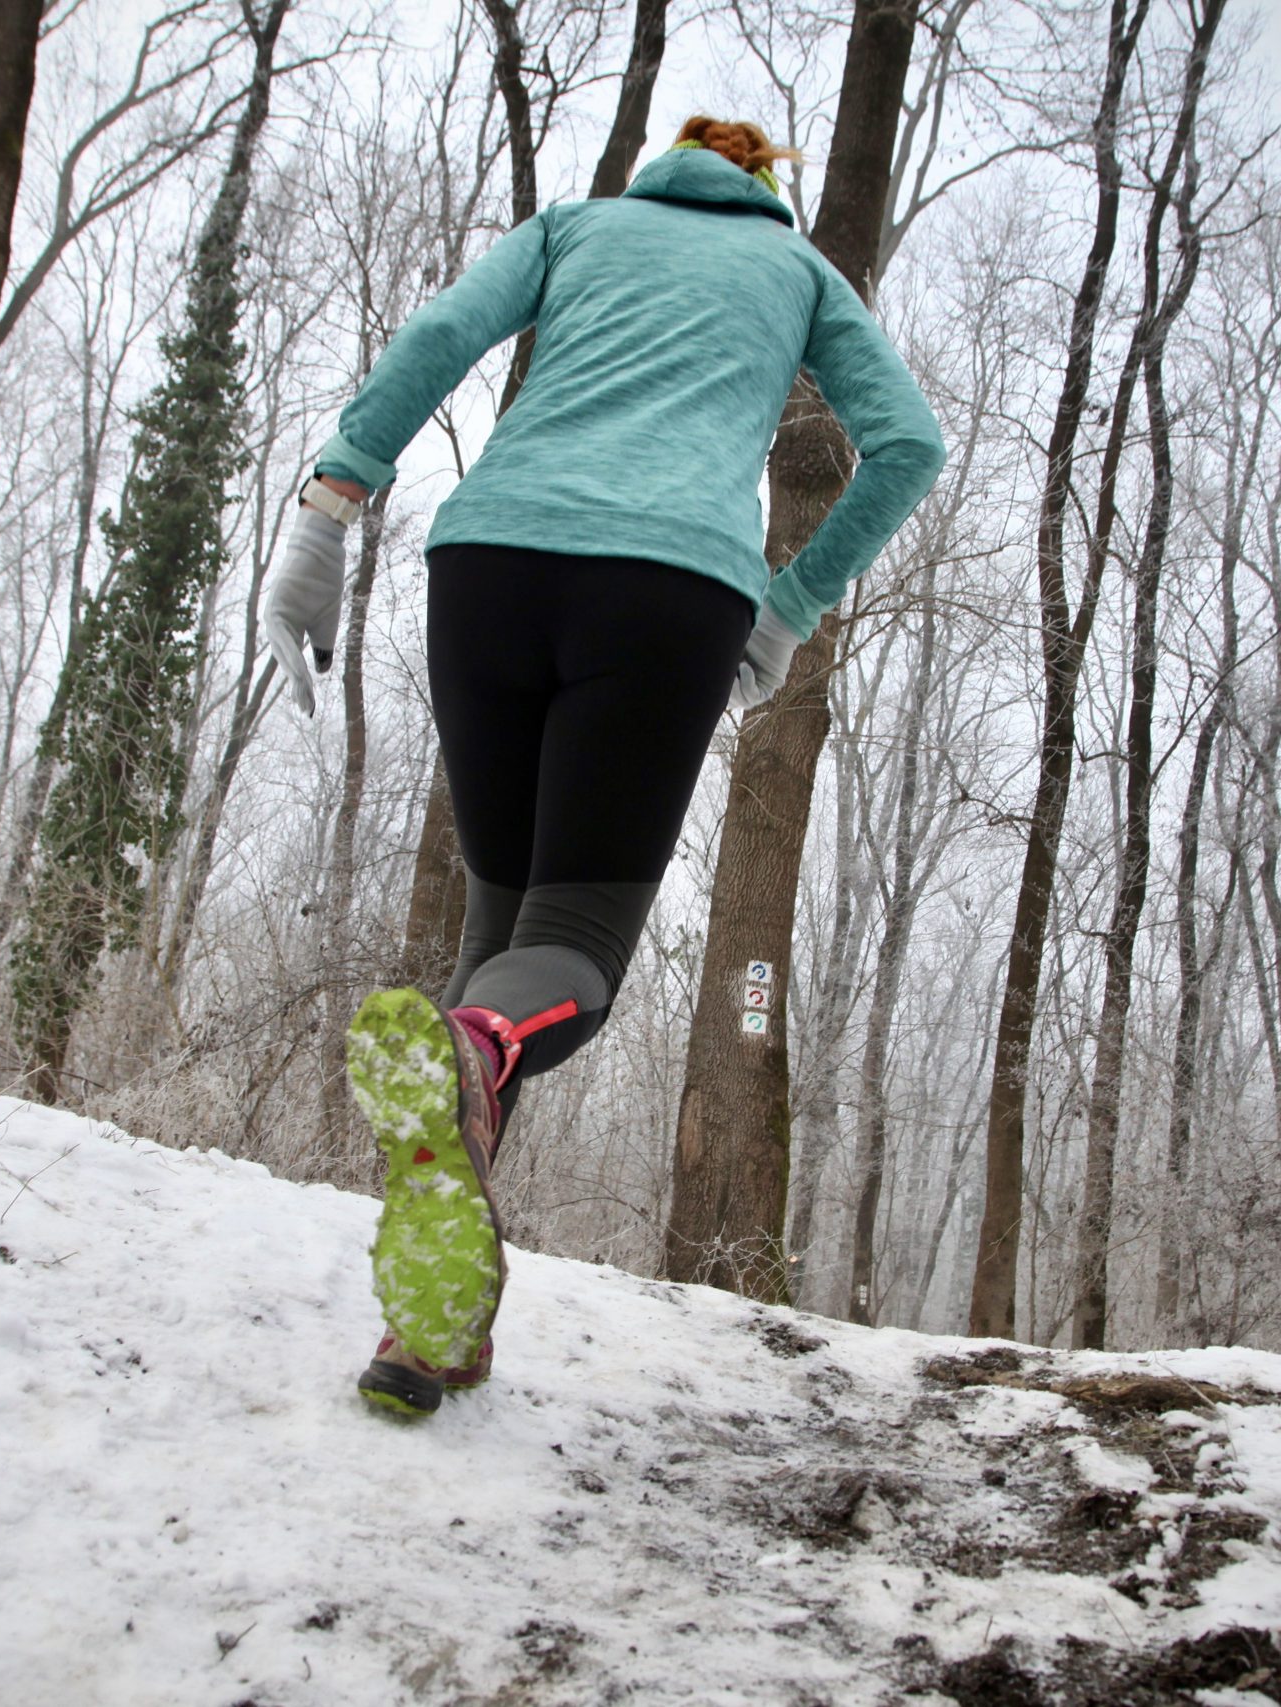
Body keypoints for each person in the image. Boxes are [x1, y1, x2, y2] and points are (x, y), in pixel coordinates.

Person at [262, 116, 945, 1417]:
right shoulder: (798, 274)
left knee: (497, 936)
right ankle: (466, 1059)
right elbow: (907, 444)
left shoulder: (576, 228)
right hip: (669, 589)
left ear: (669, 169)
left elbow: (431, 343)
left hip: (490, 568)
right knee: (566, 957)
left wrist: (326, 515)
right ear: (763, 187)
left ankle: (430, 1331)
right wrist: (788, 606)